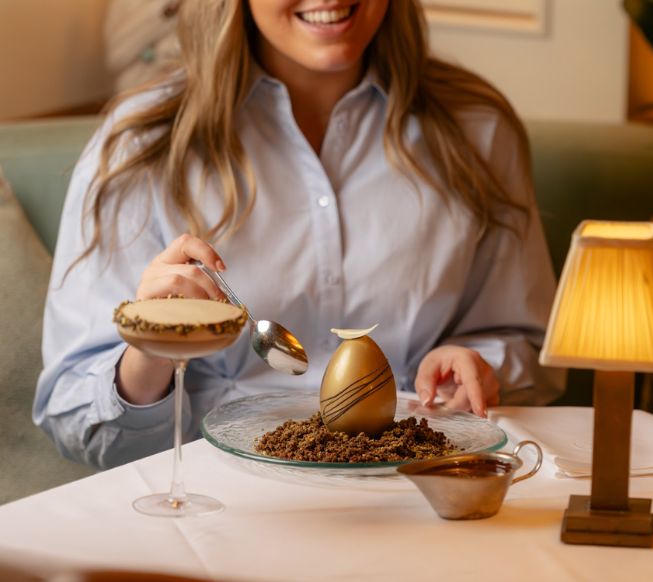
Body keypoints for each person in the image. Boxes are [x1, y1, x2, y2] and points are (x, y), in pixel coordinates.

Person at [35, 0, 565, 470]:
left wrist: (474, 366)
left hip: (412, 491)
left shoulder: (478, 128)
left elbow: (528, 349)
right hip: (219, 504)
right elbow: (78, 426)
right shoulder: (140, 146)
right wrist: (150, 348)